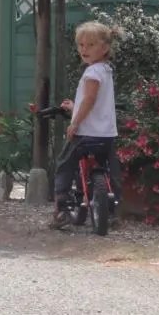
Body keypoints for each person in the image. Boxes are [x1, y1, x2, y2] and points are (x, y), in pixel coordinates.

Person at [50, 20, 122, 229]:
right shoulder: (106, 70)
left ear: (105, 47)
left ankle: (61, 209)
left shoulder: (91, 73)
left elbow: (89, 100)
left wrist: (75, 123)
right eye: (81, 45)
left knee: (64, 165)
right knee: (110, 169)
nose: (84, 49)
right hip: (106, 135)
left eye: (90, 45)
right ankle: (114, 211)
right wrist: (75, 106)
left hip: (85, 133)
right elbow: (95, 103)